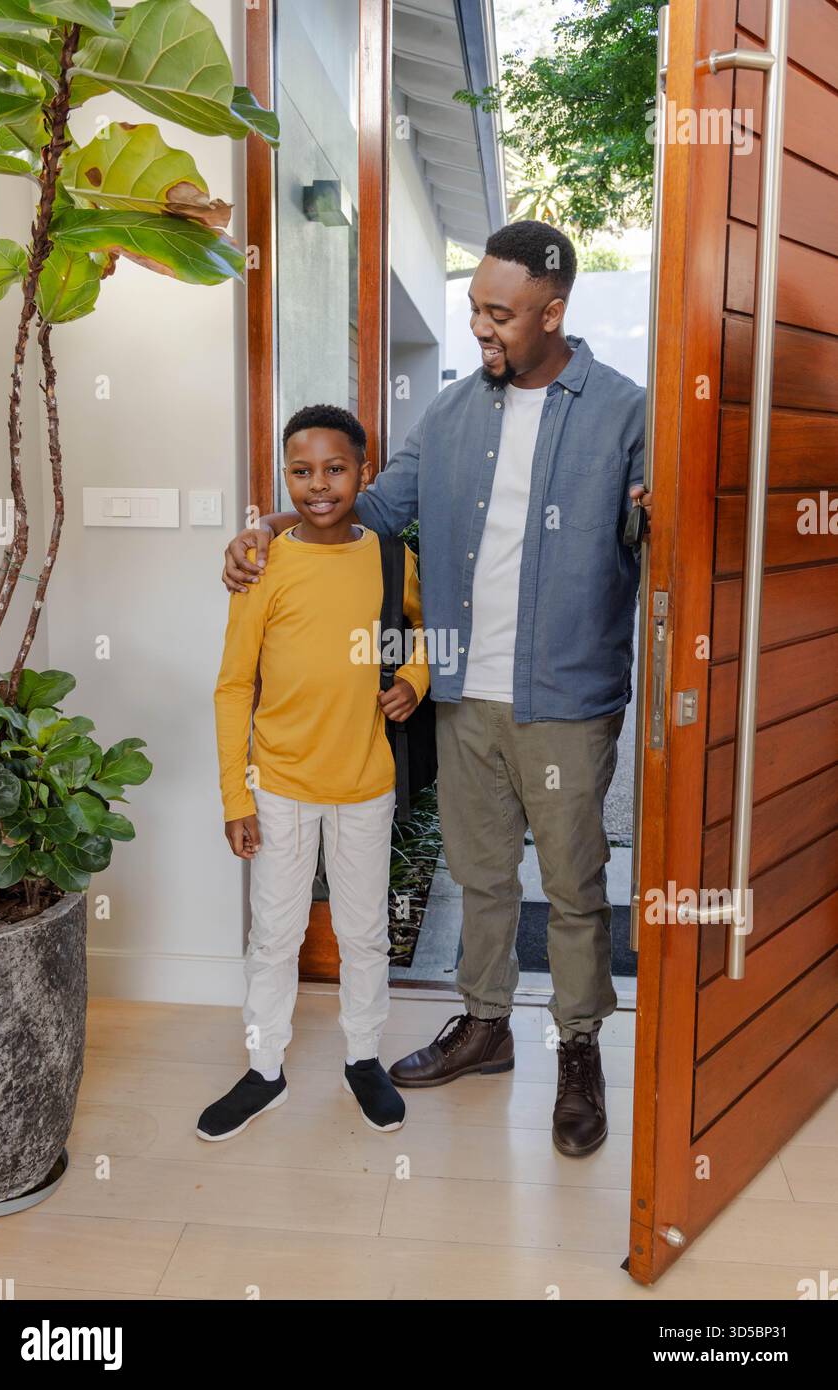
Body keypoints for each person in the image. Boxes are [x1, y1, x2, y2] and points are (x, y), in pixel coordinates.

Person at [221, 222, 652, 1158]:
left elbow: (660, 542)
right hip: (460, 693)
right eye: (473, 309)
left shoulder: (627, 414)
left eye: (499, 314)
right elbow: (368, 511)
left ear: (552, 312)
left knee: (573, 888)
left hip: (566, 697)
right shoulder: (453, 414)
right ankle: (486, 1026)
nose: (480, 329)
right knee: (480, 876)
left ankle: (578, 1048)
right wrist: (266, 526)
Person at [197, 404, 429, 1141]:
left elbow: (426, 631)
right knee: (274, 934)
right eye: (301, 471)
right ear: (284, 475)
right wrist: (235, 797)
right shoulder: (263, 564)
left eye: (335, 469)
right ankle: (264, 1070)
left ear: (364, 471)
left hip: (365, 784)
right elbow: (233, 686)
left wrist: (413, 679)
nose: (318, 485)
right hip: (280, 788)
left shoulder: (390, 558)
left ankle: (362, 1059)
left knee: (363, 934)